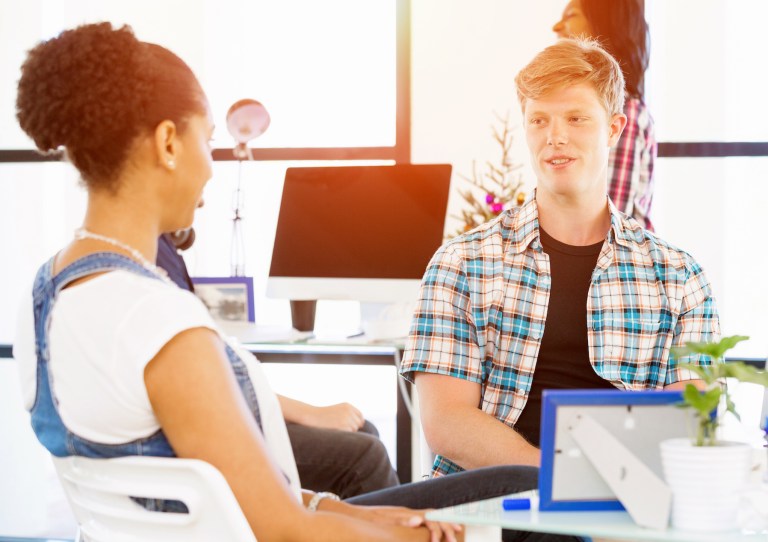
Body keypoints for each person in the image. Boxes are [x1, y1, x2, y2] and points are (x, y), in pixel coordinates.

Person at [13, 21, 577, 542]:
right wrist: (402, 536)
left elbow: (256, 497)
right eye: (206, 138)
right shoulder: (160, 322)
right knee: (528, 491)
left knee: (471, 485)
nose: (210, 164)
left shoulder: (48, 294)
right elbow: (281, 528)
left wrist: (368, 516)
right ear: (167, 143)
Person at [401, 37, 720, 478]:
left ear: (613, 128)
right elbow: (446, 424)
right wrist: (564, 479)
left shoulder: (679, 276)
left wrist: (609, 488)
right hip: (490, 500)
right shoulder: (461, 264)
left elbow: (693, 421)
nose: (555, 136)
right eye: (539, 120)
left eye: (576, 118)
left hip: (626, 501)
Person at [157, 232, 400, 498]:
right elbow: (201, 382)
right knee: (367, 456)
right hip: (204, 429)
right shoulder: (151, 260)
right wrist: (310, 413)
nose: (202, 201)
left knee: (365, 431)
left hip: (222, 409)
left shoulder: (164, 250)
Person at [553, 0, 656, 230]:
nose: (556, 27)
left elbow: (606, 226)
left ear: (602, 26)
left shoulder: (622, 112)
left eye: (570, 16)